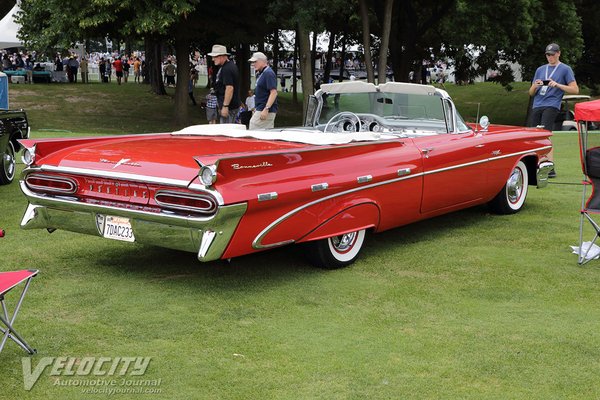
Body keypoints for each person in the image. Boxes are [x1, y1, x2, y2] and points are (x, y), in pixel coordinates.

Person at [528, 43, 579, 178]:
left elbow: (575, 89)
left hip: (552, 105)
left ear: (558, 53)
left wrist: (557, 85)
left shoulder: (565, 69)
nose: (550, 57)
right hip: (537, 105)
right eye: (547, 54)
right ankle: (536, 166)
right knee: (533, 137)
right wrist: (535, 85)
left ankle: (550, 168)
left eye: (552, 54)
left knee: (544, 135)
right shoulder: (540, 69)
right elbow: (531, 93)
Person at [207, 44, 240, 124]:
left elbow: (229, 88)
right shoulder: (227, 66)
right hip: (229, 106)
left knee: (226, 133)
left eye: (214, 56)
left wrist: (225, 106)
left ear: (221, 56)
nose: (213, 59)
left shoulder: (227, 69)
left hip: (230, 108)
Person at [248, 52, 278, 130]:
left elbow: (273, 93)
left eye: (255, 62)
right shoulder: (261, 73)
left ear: (262, 61)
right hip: (260, 108)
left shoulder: (268, 73)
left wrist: (266, 109)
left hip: (265, 110)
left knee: (254, 128)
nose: (253, 64)